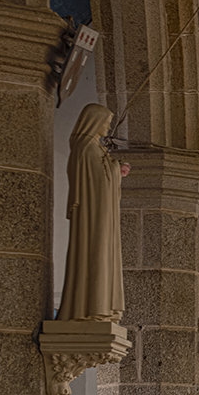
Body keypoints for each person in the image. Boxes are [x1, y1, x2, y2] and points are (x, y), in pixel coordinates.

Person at [59, 103, 129, 322]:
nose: (107, 128)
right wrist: (116, 168)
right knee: (96, 253)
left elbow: (103, 175)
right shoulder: (86, 148)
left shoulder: (94, 148)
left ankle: (103, 307)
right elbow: (97, 181)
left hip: (102, 214)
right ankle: (91, 309)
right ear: (94, 122)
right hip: (94, 214)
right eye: (106, 123)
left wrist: (117, 168)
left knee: (104, 254)